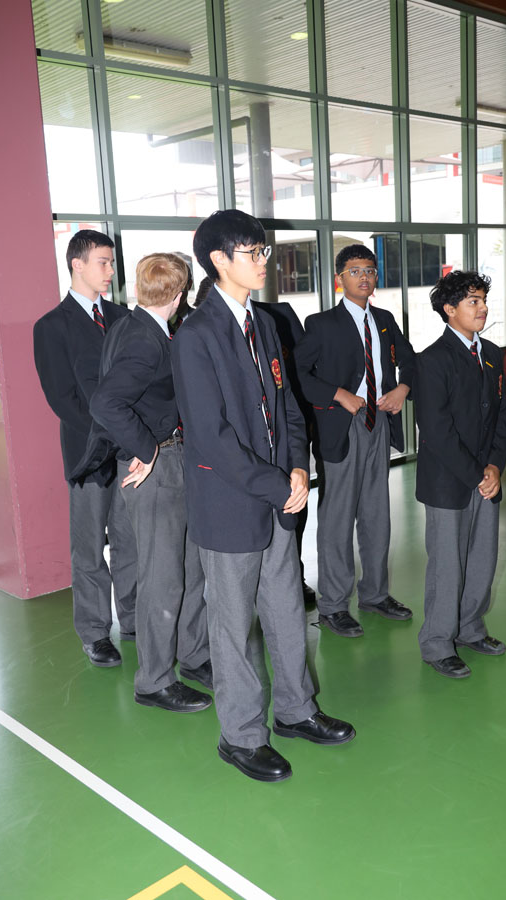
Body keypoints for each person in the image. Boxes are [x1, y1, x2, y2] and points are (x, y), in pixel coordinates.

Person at [171, 209, 355, 783]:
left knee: (285, 611)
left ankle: (297, 711)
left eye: (263, 250)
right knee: (232, 628)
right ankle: (242, 736)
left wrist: (298, 468)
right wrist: (279, 485)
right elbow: (211, 437)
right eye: (252, 252)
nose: (263, 262)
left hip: (280, 497)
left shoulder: (266, 325)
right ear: (219, 260)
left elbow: (288, 406)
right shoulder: (195, 336)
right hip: (230, 505)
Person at [72, 253, 212, 712]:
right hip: (158, 467)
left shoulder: (132, 326)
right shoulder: (145, 339)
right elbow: (106, 403)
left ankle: (193, 655)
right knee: (163, 579)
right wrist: (147, 450)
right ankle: (154, 680)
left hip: (174, 462)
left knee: (189, 567)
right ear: (180, 294)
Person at [294, 244, 415, 638]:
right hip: (341, 427)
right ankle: (332, 606)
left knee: (377, 514)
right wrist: (337, 394)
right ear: (339, 279)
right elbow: (299, 375)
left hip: (378, 423)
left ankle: (375, 594)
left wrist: (403, 388)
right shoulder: (321, 324)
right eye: (355, 271)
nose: (364, 277)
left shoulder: (384, 320)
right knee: (337, 518)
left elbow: (410, 360)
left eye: (370, 270)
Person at [33, 229, 137, 667]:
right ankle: (95, 632)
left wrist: (133, 437)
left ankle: (134, 620)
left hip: (130, 453)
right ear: (77, 264)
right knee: (90, 547)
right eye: (103, 262)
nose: (111, 271)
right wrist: (110, 434)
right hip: (88, 455)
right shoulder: (51, 326)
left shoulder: (123, 317)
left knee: (131, 542)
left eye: (112, 262)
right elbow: (62, 398)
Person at [414, 270, 506, 678]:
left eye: (483, 299)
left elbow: (502, 417)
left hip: (485, 477)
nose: (483, 307)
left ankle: (470, 628)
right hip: (448, 481)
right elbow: (436, 430)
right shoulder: (432, 360)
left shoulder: (492, 354)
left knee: (482, 558)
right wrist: (477, 473)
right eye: (473, 301)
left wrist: (495, 467)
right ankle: (438, 642)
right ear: (449, 309)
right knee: (447, 565)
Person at [251, 298, 317, 605]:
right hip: (241, 447)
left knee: (293, 510)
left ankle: (294, 575)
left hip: (284, 432)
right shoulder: (200, 327)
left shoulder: (276, 315)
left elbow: (300, 369)